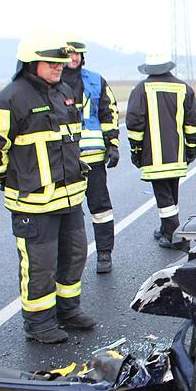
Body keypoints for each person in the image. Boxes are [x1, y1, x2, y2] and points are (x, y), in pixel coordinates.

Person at [0, 34, 95, 344]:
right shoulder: (11, 98)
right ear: (31, 63)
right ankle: (39, 323)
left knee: (75, 255)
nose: (59, 67)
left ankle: (68, 310)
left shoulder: (65, 92)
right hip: (34, 203)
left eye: (60, 62)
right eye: (51, 63)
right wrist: (9, 178)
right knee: (40, 266)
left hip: (70, 198)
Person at [126, 54, 196, 248]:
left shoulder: (140, 90)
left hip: (153, 156)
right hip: (177, 154)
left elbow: (134, 125)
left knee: (164, 198)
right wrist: (191, 149)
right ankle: (166, 229)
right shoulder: (183, 88)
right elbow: (193, 122)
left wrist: (136, 151)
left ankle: (176, 238)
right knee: (171, 194)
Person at [61, 38, 119, 274]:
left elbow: (109, 113)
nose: (73, 58)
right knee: (66, 210)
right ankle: (67, 259)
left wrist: (113, 144)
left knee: (100, 207)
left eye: (77, 54)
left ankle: (104, 252)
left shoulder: (96, 80)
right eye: (69, 54)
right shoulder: (51, 83)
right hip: (63, 159)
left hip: (93, 156)